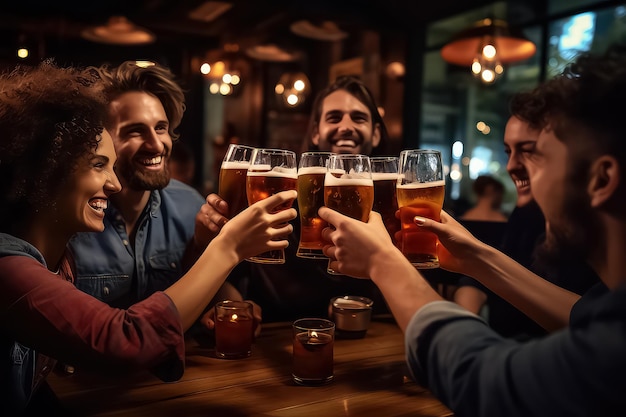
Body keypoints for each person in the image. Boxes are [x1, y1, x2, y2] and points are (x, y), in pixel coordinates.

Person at [319, 46, 626, 416]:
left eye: (538, 155)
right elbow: (581, 314)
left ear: (602, 179)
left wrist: (382, 261)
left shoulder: (611, 350)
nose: (520, 176)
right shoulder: (612, 311)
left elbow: (484, 380)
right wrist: (476, 257)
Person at [0, 61, 297, 416]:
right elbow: (125, 340)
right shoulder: (13, 266)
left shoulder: (58, 259)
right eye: (98, 164)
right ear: (50, 169)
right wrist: (228, 247)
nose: (113, 184)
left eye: (163, 128)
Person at [67, 61, 258, 330]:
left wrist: (231, 305)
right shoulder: (71, 215)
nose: (157, 144)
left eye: (160, 128)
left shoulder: (191, 205)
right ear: (100, 140)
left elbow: (212, 289)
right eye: (135, 131)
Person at [204, 75, 390, 322]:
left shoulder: (391, 206)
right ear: (315, 132)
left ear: (375, 134)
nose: (346, 126)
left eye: (359, 118)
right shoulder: (283, 199)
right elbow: (236, 270)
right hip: (278, 344)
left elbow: (447, 276)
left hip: (375, 347)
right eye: (334, 117)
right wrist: (237, 307)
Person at [454, 115, 598, 339]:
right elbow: (488, 274)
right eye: (508, 152)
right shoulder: (524, 213)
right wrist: (464, 324)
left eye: (528, 150)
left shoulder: (585, 225)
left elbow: (593, 323)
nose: (511, 166)